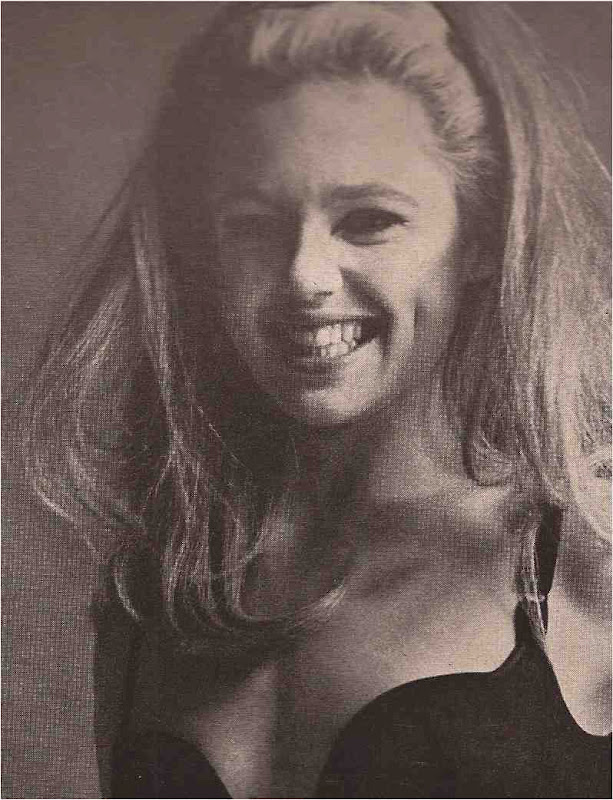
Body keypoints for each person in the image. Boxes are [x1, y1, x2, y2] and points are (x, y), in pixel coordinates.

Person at [25, 2, 611, 797]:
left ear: (482, 239)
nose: (304, 275)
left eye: (368, 221)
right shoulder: (159, 588)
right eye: (254, 225)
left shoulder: (590, 558)